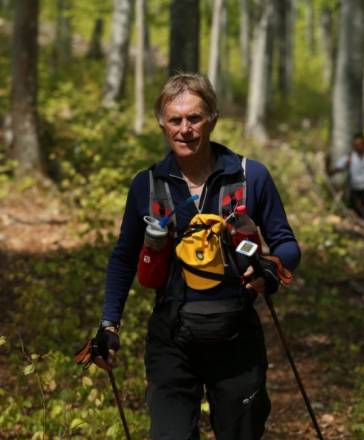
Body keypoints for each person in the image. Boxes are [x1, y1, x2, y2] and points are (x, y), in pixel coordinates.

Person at [76, 73, 300, 439]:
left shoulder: (251, 176)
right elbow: (123, 258)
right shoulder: (147, 184)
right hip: (171, 338)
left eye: (194, 118)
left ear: (212, 118)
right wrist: (109, 325)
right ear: (162, 124)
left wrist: (271, 270)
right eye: (175, 120)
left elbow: (287, 244)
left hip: (236, 338)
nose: (185, 129)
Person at [327, 133, 364, 221]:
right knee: (353, 215)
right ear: (353, 145)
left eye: (360, 144)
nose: (358, 146)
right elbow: (336, 169)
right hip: (355, 192)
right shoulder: (350, 158)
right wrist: (328, 168)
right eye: (356, 144)